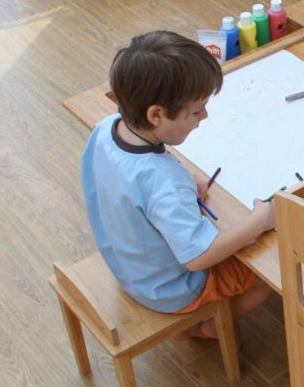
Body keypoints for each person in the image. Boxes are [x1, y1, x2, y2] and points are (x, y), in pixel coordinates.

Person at [81, 30, 275, 340]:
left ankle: (188, 322)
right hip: (173, 289)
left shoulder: (108, 128)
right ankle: (208, 327)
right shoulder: (165, 185)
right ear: (156, 114)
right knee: (274, 269)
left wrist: (184, 176)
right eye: (196, 110)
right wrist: (259, 221)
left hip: (128, 266)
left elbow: (134, 174)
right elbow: (199, 256)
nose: (205, 116)